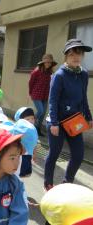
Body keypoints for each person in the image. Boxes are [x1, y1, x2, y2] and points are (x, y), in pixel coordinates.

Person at [44, 39, 93, 191]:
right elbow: (52, 100)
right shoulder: (59, 75)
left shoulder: (84, 74)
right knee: (54, 154)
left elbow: (83, 97)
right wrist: (54, 123)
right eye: (72, 54)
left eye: (79, 53)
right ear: (66, 56)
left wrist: (89, 116)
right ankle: (48, 184)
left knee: (78, 155)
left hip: (74, 121)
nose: (76, 57)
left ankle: (67, 183)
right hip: (57, 122)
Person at [29, 54, 57, 136]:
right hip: (36, 94)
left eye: (49, 63)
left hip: (45, 95)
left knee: (43, 113)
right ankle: (29, 122)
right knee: (40, 111)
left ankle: (37, 129)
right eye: (46, 62)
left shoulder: (50, 73)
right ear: (43, 63)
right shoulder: (36, 71)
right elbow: (31, 83)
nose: (48, 64)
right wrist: (30, 92)